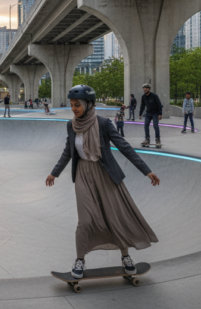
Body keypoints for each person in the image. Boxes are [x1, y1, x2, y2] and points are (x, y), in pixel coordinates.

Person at [46, 85, 159, 279]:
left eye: (77, 105)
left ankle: (125, 257)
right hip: (82, 173)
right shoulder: (71, 125)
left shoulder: (103, 123)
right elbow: (68, 151)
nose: (74, 109)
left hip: (105, 173)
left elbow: (124, 147)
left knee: (114, 216)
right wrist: (54, 173)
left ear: (88, 105)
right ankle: (80, 259)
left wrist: (146, 171)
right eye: (72, 105)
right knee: (85, 219)